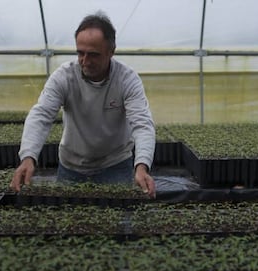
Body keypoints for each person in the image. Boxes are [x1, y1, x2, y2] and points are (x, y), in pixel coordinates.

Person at [10, 12, 156, 198]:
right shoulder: (64, 77)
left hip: (116, 165)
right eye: (80, 53)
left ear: (111, 51)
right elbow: (41, 115)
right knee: (70, 222)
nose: (85, 61)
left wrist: (142, 166)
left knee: (117, 223)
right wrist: (28, 157)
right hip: (71, 167)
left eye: (93, 55)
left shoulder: (127, 79)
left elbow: (142, 124)